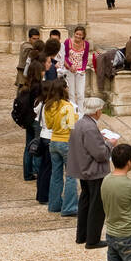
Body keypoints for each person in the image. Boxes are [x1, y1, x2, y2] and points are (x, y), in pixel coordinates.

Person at [68, 97, 117, 249]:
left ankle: (81, 236)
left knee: (85, 202)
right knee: (96, 206)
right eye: (101, 110)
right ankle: (93, 239)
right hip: (93, 171)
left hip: (83, 169)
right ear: (96, 112)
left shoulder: (81, 123)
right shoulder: (89, 127)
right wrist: (110, 143)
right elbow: (101, 154)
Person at [45, 78, 80, 217]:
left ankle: (54, 205)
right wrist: (76, 117)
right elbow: (72, 127)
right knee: (71, 176)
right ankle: (70, 207)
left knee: (56, 175)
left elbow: (48, 126)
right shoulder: (67, 106)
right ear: (64, 88)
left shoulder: (48, 106)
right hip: (66, 141)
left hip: (54, 141)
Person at [17, 62, 44, 181]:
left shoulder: (26, 85)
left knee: (28, 146)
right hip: (36, 120)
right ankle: (37, 171)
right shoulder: (38, 87)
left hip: (28, 120)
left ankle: (27, 173)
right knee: (38, 146)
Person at [62, 25, 91, 106]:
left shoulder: (86, 44)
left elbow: (85, 58)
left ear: (83, 36)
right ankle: (73, 112)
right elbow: (65, 56)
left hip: (80, 71)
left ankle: (81, 112)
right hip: (70, 69)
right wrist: (71, 66)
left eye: (80, 35)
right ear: (74, 33)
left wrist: (83, 68)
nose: (78, 36)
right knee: (71, 93)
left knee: (80, 94)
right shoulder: (68, 42)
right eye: (76, 34)